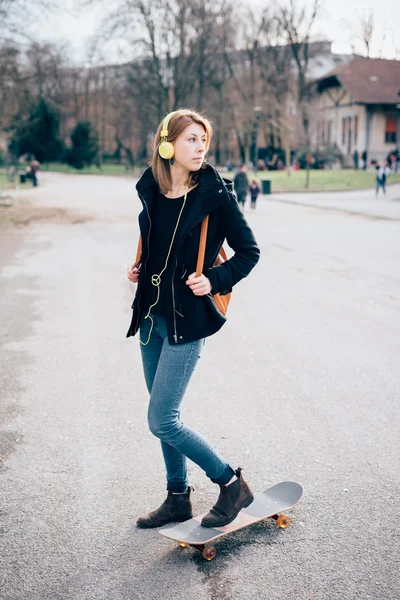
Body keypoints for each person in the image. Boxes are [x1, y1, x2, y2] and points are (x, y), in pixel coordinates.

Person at [126, 109, 260, 529]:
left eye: (204, 139)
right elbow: (156, 243)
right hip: (151, 319)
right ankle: (177, 497)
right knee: (164, 415)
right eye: (191, 139)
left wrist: (214, 279)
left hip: (187, 323)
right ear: (167, 146)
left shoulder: (214, 196)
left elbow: (250, 252)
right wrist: (138, 267)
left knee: (161, 419)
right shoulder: (152, 189)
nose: (200, 147)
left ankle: (231, 483)